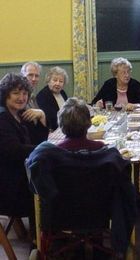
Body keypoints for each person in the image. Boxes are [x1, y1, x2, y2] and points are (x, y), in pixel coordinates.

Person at [0, 73, 48, 240]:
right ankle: (40, 243)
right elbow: (14, 150)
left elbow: (40, 139)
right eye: (16, 93)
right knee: (48, 188)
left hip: (20, 175)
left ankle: (48, 237)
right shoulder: (2, 118)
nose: (21, 98)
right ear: (5, 94)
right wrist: (44, 149)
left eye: (24, 93)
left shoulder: (19, 114)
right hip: (8, 186)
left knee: (50, 180)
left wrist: (41, 115)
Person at [36, 66, 68, 131]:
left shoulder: (62, 92)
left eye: (61, 81)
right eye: (55, 80)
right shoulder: (43, 95)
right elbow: (50, 119)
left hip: (64, 127)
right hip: (52, 130)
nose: (58, 83)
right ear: (48, 81)